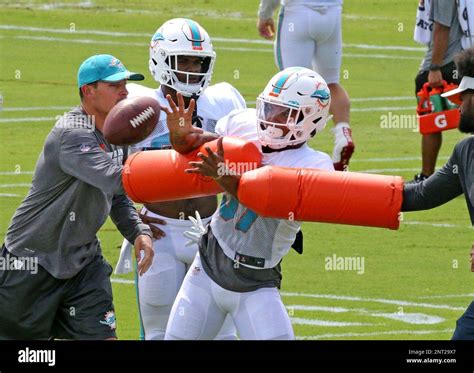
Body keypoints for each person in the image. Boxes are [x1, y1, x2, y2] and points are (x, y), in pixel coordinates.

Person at [163, 66, 334, 340]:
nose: (271, 119)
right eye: (269, 108)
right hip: (208, 265)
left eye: (283, 113)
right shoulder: (243, 126)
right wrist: (180, 135)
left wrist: (224, 175)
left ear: (310, 119)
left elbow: (266, 201)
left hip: (257, 279)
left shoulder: (314, 166)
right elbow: (194, 146)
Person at [0, 54, 154, 340]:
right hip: (32, 261)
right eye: (114, 85)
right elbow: (114, 177)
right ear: (88, 91)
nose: (124, 91)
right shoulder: (72, 132)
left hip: (84, 261)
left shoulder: (119, 135)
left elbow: (117, 195)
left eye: (125, 84)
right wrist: (180, 167)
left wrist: (138, 232)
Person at [114, 18, 244, 340]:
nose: (191, 68)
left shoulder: (223, 101)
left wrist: (199, 137)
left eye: (197, 61)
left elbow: (246, 159)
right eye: (182, 60)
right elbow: (112, 175)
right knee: (159, 333)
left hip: (212, 231)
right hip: (161, 232)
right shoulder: (138, 108)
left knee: (220, 334)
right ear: (160, 60)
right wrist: (136, 224)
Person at [402, 47, 474, 339]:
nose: (457, 106)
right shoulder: (466, 152)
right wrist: (349, 193)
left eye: (463, 98)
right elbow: (421, 195)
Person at [257, 0, 354, 171]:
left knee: (289, 87)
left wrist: (265, 14)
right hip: (332, 14)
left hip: (297, 13)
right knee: (331, 82)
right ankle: (343, 132)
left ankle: (291, 150)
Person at [411, 0, 463, 183]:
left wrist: (434, 67)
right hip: (464, 56)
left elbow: (442, 27)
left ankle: (426, 178)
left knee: (429, 119)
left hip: (449, 61)